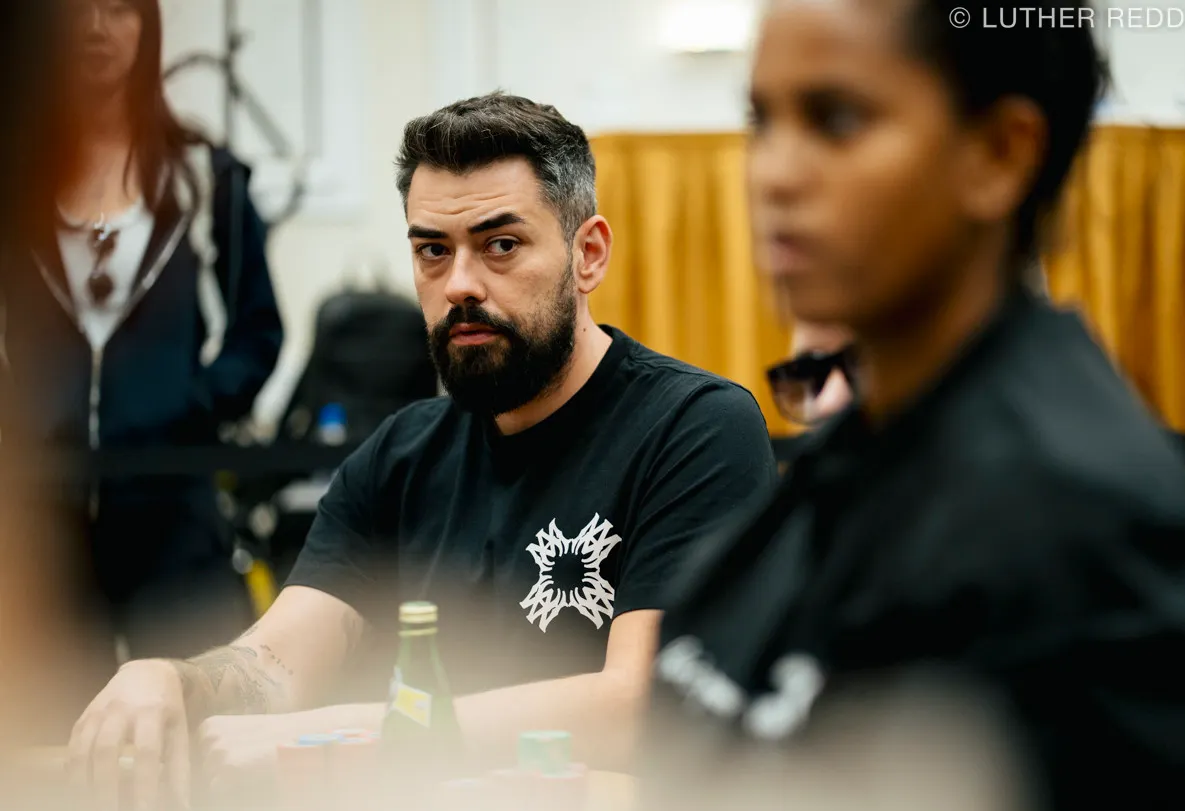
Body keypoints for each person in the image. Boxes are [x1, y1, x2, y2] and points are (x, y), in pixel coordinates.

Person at [68, 92, 778, 809]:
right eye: (433, 251)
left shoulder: (695, 429)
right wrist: (174, 680)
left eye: (501, 245)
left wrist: (366, 734)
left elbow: (645, 706)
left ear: (587, 254)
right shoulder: (399, 454)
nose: (460, 285)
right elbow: (275, 665)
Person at [650, 1, 1185, 809]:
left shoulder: (1078, 519)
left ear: (999, 155)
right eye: (762, 119)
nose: (773, 173)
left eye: (837, 119)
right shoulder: (855, 452)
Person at [0, 0, 283, 668]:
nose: (96, 26)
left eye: (120, 7)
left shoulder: (205, 178)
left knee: (192, 703)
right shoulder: (18, 182)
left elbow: (257, 331)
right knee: (50, 720)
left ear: (148, 26)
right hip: (42, 517)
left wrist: (190, 405)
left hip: (174, 509)